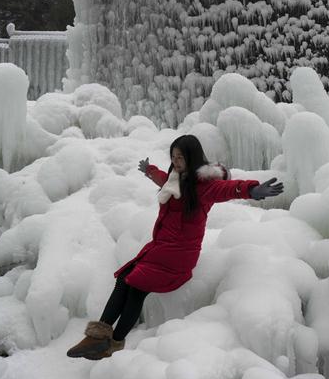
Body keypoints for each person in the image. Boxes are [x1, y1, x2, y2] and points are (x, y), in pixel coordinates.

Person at [67, 134, 284, 360]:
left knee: (136, 286)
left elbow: (228, 189)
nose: (176, 161)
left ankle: (113, 343)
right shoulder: (174, 179)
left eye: (180, 157)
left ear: (192, 157)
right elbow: (163, 178)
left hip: (180, 254)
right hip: (161, 247)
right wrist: (149, 170)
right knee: (124, 278)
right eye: (173, 157)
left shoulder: (204, 186)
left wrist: (252, 190)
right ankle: (98, 336)